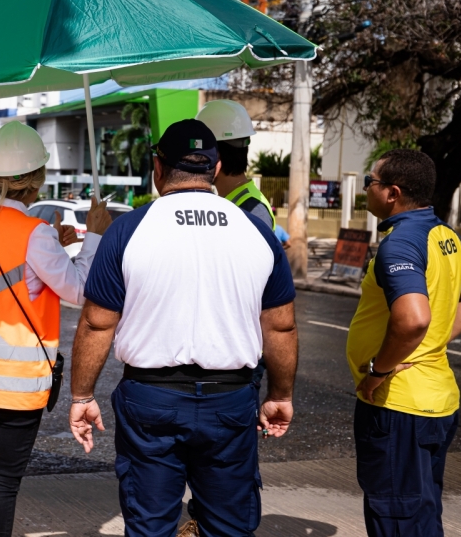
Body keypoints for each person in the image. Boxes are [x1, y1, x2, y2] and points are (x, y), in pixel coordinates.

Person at [69, 118, 298, 537]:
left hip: (151, 400)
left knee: (150, 526)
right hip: (230, 400)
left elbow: (97, 323)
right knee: (228, 527)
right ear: (215, 168)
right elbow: (280, 328)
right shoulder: (257, 232)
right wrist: (280, 395)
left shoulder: (127, 230)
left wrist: (82, 395)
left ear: (158, 168)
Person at [0, 120, 112, 537]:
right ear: (37, 178)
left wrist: (54, 244)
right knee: (3, 481)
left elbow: (14, 270)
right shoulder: (35, 234)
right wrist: (93, 237)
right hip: (15, 380)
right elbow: (78, 289)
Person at [346, 149, 461, 536]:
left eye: (370, 182)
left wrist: (378, 371)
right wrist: (433, 342)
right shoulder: (445, 236)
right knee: (421, 515)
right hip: (435, 401)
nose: (365, 189)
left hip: (399, 406)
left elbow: (413, 319)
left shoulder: (402, 243)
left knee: (397, 520)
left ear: (392, 193)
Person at [196, 99, 275, 229]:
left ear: (215, 156)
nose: (196, 160)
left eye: (199, 153)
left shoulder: (253, 211)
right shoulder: (233, 201)